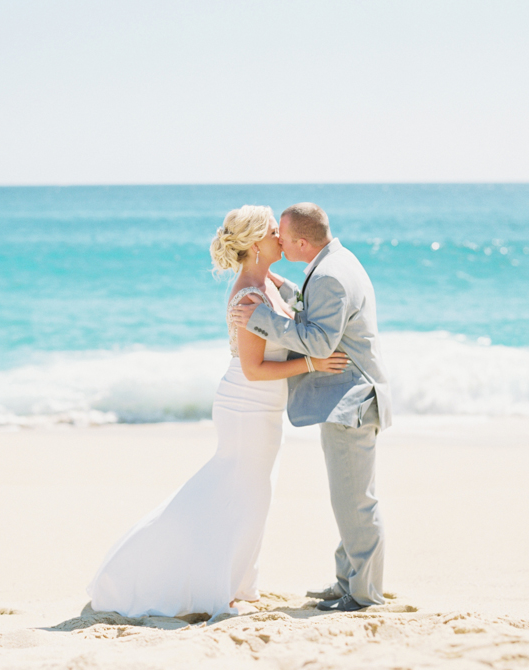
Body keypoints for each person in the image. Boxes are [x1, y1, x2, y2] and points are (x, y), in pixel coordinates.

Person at [86, 205, 348, 621]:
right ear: (254, 243)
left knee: (253, 494)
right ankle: (211, 588)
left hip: (263, 406)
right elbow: (253, 368)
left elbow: (296, 303)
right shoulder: (249, 295)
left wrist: (284, 283)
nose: (281, 236)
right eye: (272, 232)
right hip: (246, 404)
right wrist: (313, 364)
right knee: (238, 492)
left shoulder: (267, 283)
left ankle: (237, 582)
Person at [231, 202, 391, 612]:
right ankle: (347, 582)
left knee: (355, 500)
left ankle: (364, 595)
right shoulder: (336, 261)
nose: (278, 241)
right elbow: (313, 305)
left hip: (351, 402)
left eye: (282, 235)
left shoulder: (332, 275)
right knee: (347, 497)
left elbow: (319, 342)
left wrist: (261, 319)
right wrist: (281, 288)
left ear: (301, 241)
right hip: (348, 400)